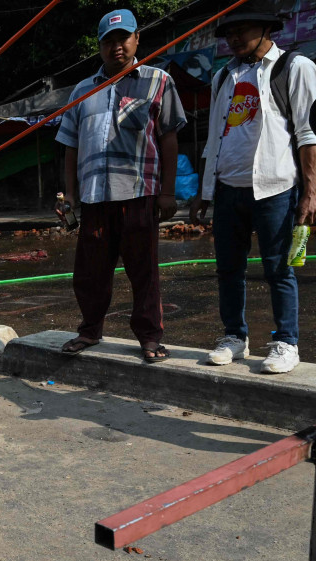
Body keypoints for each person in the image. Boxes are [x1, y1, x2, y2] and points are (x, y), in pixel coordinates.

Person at [190, 0, 316, 374]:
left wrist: (311, 192)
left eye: (241, 30)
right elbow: (215, 138)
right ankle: (234, 337)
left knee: (279, 268)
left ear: (265, 29)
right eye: (228, 33)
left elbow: (308, 134)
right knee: (229, 269)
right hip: (228, 188)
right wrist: (204, 191)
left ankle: (286, 342)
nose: (233, 38)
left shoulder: (293, 67)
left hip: (275, 188)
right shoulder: (223, 76)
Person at [54, 9, 185, 363]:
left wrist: (168, 192)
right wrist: (69, 196)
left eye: (123, 38)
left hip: (139, 194)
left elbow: (169, 139)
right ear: (99, 46)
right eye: (109, 41)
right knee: (90, 272)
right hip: (95, 197)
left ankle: (150, 337)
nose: (117, 47)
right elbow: (70, 146)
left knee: (144, 271)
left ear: (137, 39)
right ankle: (89, 330)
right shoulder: (82, 91)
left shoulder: (158, 81)